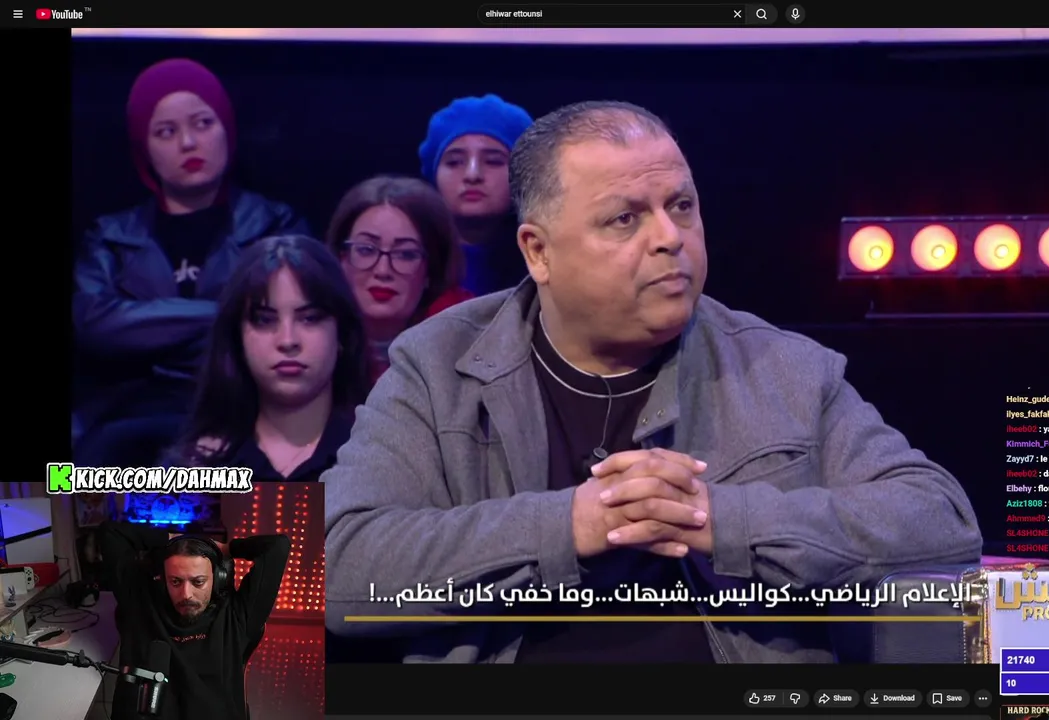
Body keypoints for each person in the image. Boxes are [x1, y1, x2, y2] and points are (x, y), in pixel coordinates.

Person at [324, 101, 982, 663]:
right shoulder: (438, 366)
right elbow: (335, 567)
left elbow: (940, 522)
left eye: (681, 206)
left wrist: (722, 519)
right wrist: (569, 526)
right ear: (538, 251)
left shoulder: (783, 368)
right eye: (625, 218)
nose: (670, 237)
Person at [73, 58, 309, 467]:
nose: (188, 142)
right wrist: (227, 313)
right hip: (123, 414)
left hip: (241, 409)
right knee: (43, 502)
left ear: (227, 129)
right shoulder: (109, 235)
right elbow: (96, 325)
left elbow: (286, 322)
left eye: (203, 123)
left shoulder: (278, 226)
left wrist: (150, 333)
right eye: (166, 131)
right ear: (144, 148)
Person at [167, 235, 369, 482]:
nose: (287, 340)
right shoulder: (193, 467)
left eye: (310, 318)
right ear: (237, 337)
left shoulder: (384, 460)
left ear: (342, 335)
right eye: (265, 320)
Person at [97, 520, 290, 719]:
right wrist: (174, 539)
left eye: (198, 582)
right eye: (175, 581)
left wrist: (225, 548)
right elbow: (111, 531)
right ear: (163, 580)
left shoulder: (237, 615)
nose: (186, 594)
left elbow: (277, 547)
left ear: (218, 578)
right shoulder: (140, 604)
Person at [325, 175, 469, 383]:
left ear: (431, 270)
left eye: (405, 254)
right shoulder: (311, 341)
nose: (383, 270)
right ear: (342, 259)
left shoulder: (468, 343)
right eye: (366, 250)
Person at [417, 94, 533, 295]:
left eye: (493, 161)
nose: (472, 175)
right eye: (455, 162)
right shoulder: (409, 258)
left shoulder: (547, 260)